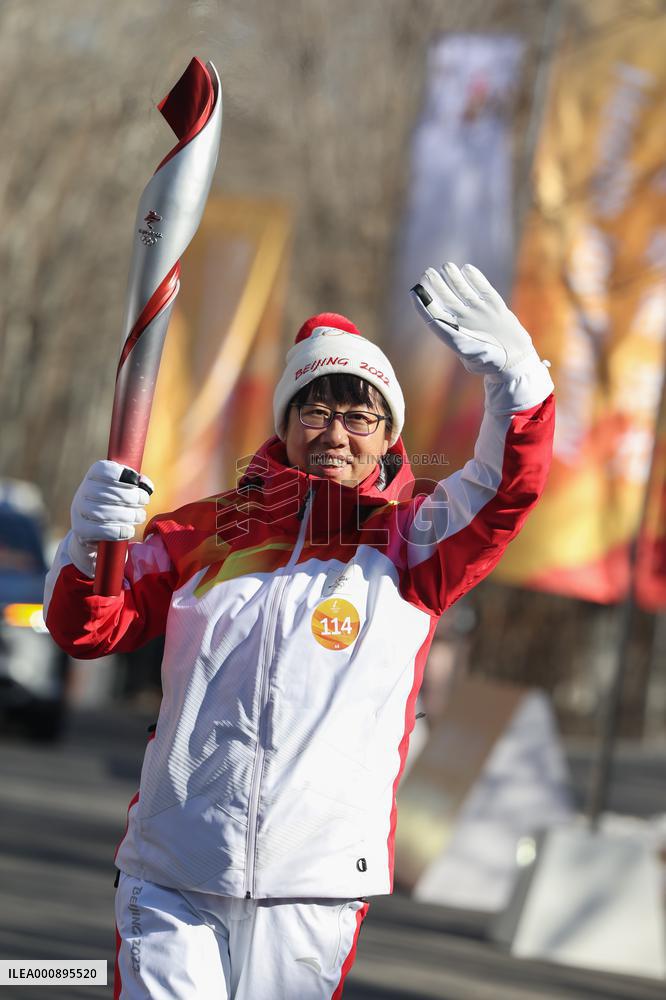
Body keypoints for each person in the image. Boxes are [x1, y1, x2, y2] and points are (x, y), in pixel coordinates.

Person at [44, 263, 555, 1000]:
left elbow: (507, 489)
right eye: (315, 411)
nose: (335, 434)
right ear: (284, 423)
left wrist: (521, 385)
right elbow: (88, 629)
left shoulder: (413, 543)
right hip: (174, 870)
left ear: (388, 438)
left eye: (360, 417)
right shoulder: (202, 531)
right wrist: (90, 543)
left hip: (313, 883)